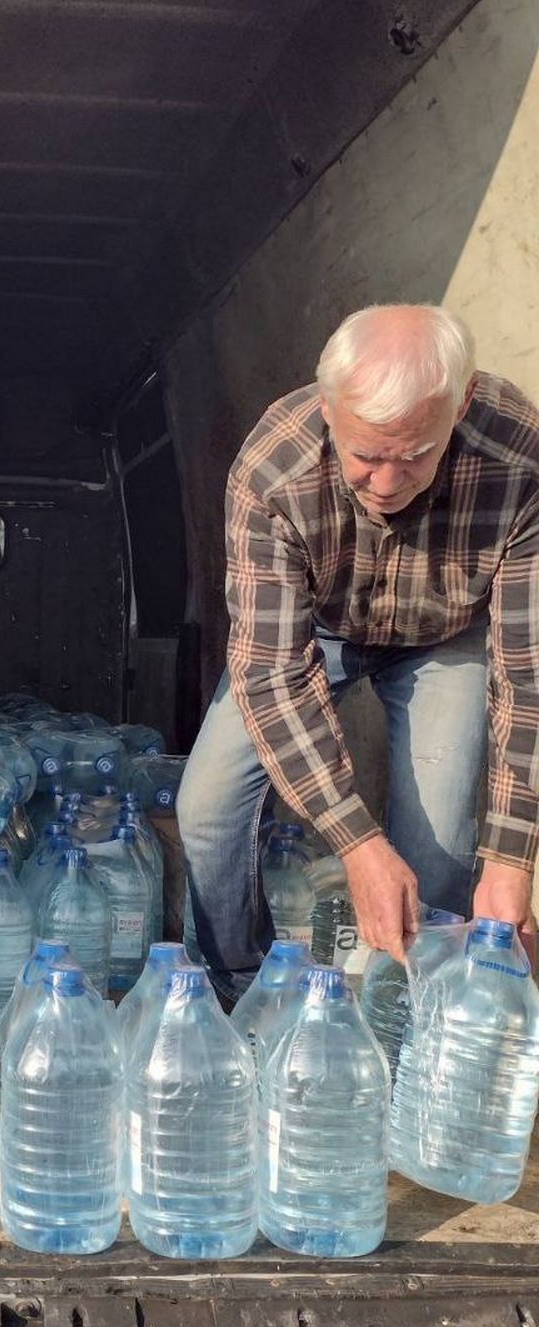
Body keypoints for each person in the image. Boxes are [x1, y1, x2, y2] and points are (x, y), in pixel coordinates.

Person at [177, 304, 539, 999]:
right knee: (208, 806)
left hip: (447, 633)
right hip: (317, 625)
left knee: (436, 856)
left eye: (415, 456)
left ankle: (403, 1023)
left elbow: (528, 673)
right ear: (328, 403)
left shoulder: (519, 463)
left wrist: (511, 859)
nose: (387, 484)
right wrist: (357, 844)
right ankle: (239, 995)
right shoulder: (271, 469)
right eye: (366, 455)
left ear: (459, 403)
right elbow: (273, 674)